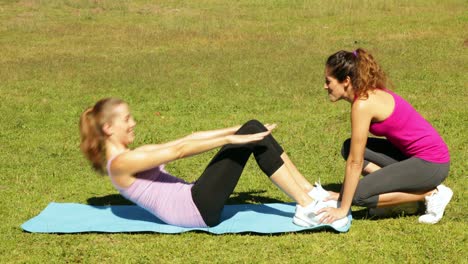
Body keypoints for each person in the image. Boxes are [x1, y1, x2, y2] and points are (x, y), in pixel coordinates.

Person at [79, 98, 349, 228]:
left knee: (253, 129)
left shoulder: (130, 155)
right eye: (126, 119)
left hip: (193, 200)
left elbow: (187, 138)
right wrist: (235, 138)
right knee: (249, 133)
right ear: (108, 128)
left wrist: (238, 131)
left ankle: (310, 194)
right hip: (194, 209)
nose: (133, 122)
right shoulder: (121, 163)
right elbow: (181, 151)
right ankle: (306, 208)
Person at [318, 48, 452, 225]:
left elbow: (355, 163)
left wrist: (343, 207)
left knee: (360, 196)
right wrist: (342, 195)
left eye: (328, 81)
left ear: (346, 81)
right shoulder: (367, 93)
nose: (325, 86)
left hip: (432, 163)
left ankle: (430, 194)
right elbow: (354, 154)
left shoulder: (363, 105)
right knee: (349, 147)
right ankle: (399, 191)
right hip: (413, 157)